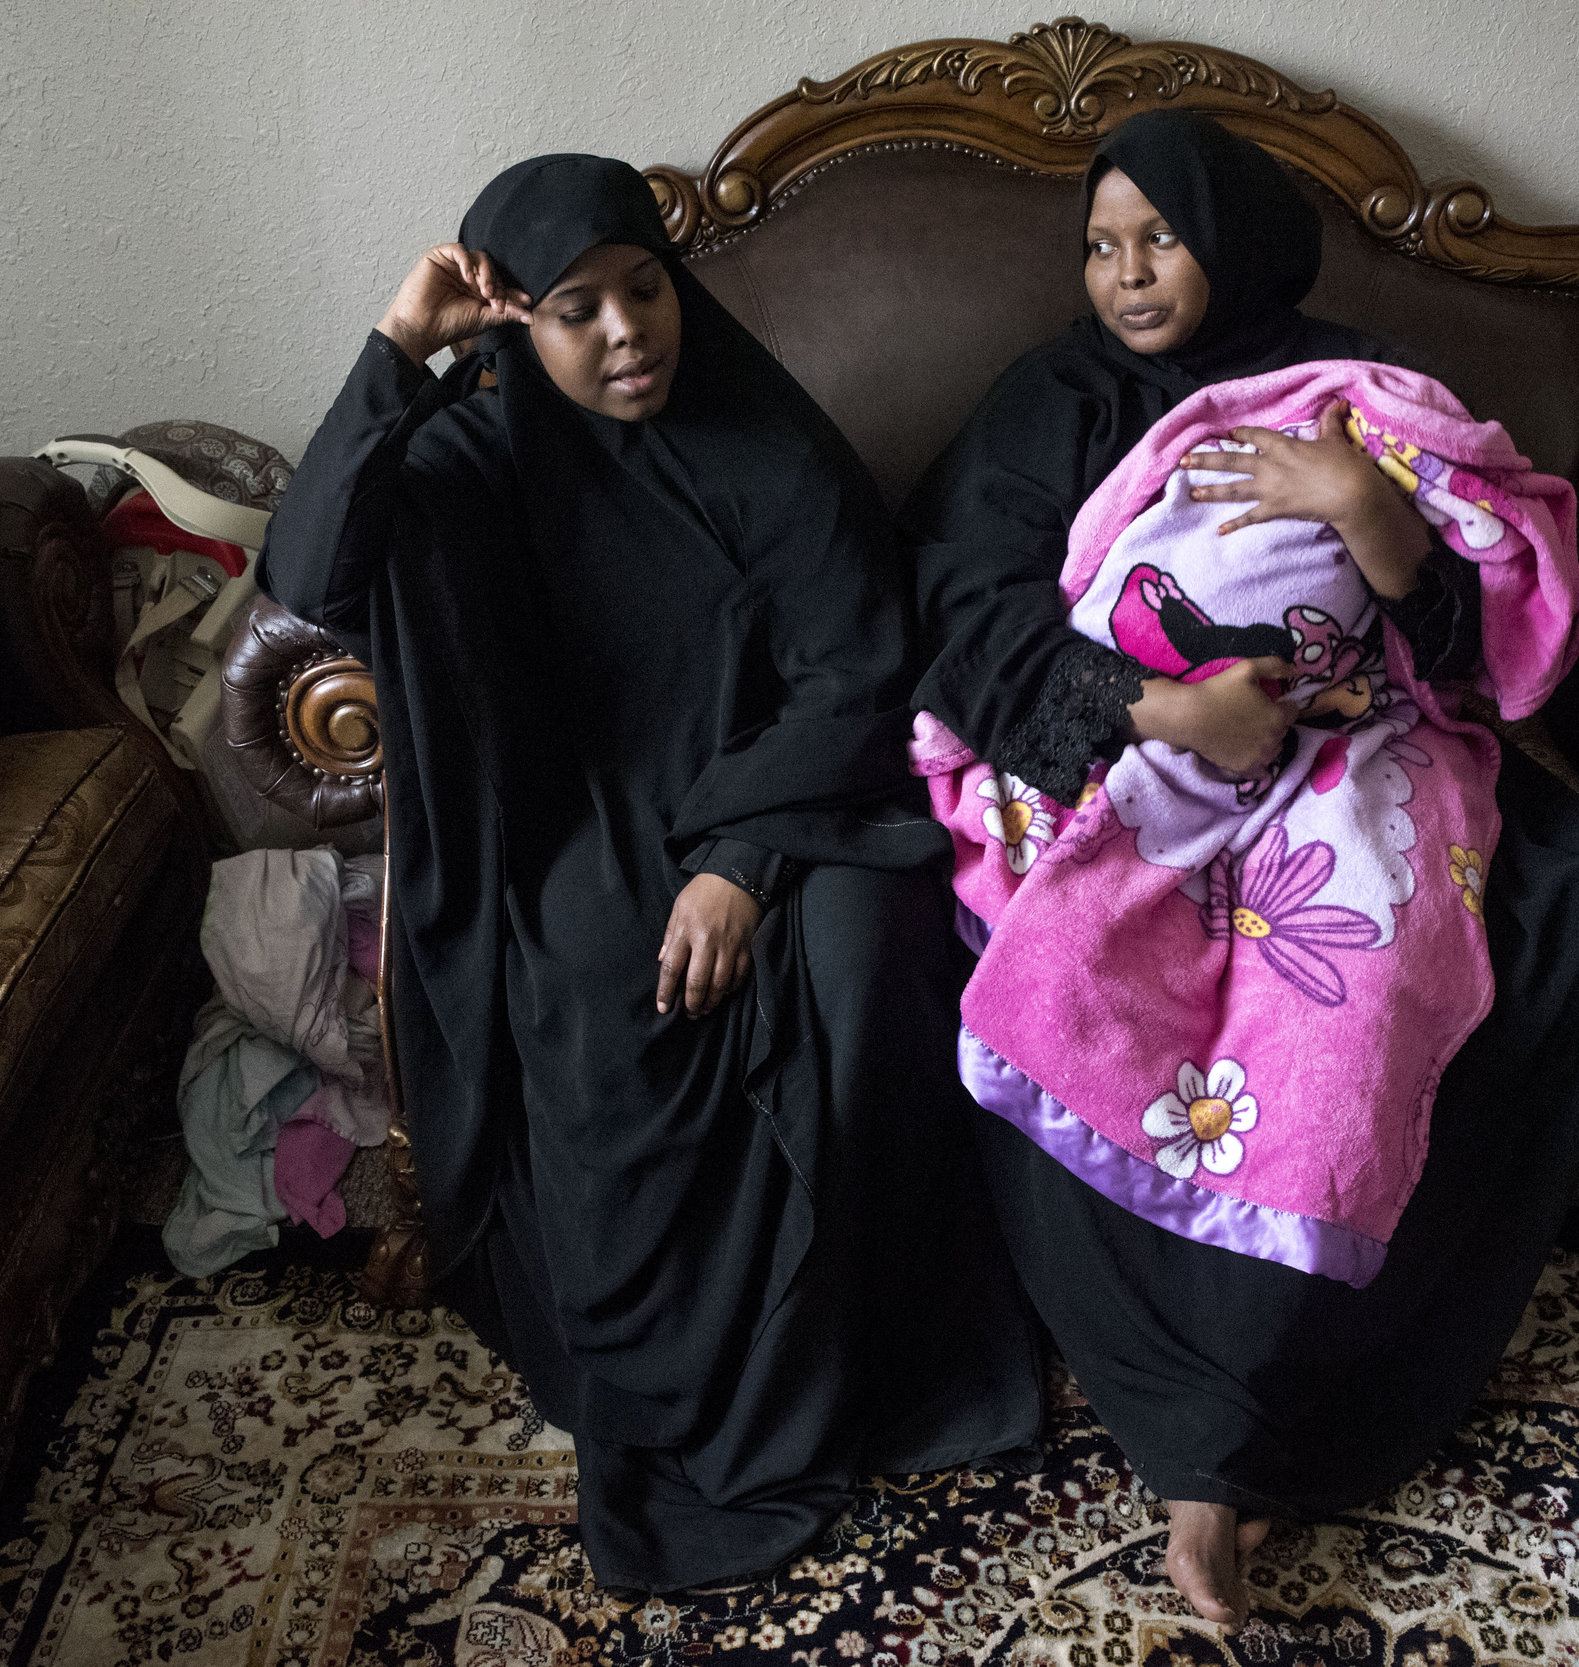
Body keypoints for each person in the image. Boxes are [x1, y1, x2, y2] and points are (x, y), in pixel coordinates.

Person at [903, 111, 1579, 1630]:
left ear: (1233, 239)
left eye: (1159, 239)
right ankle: (1185, 1424)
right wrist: (1163, 710)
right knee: (1085, 966)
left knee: (1411, 973)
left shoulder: (1358, 397)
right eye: (1102, 246)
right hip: (1137, 747)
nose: (1125, 276)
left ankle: (1288, 1397)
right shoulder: (1054, 396)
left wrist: (1371, 518)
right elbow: (970, 615)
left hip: (1356, 743)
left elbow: (1472, 643)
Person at [261, 155, 1042, 1593]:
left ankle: (851, 1369)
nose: (629, 331)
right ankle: (676, 1391)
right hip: (588, 811)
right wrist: (399, 344)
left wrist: (741, 863)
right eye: (576, 309)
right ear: (517, 325)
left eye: (644, 287)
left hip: (807, 802)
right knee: (602, 984)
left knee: (871, 968)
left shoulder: (765, 439)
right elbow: (310, 572)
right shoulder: (476, 458)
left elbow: (858, 671)